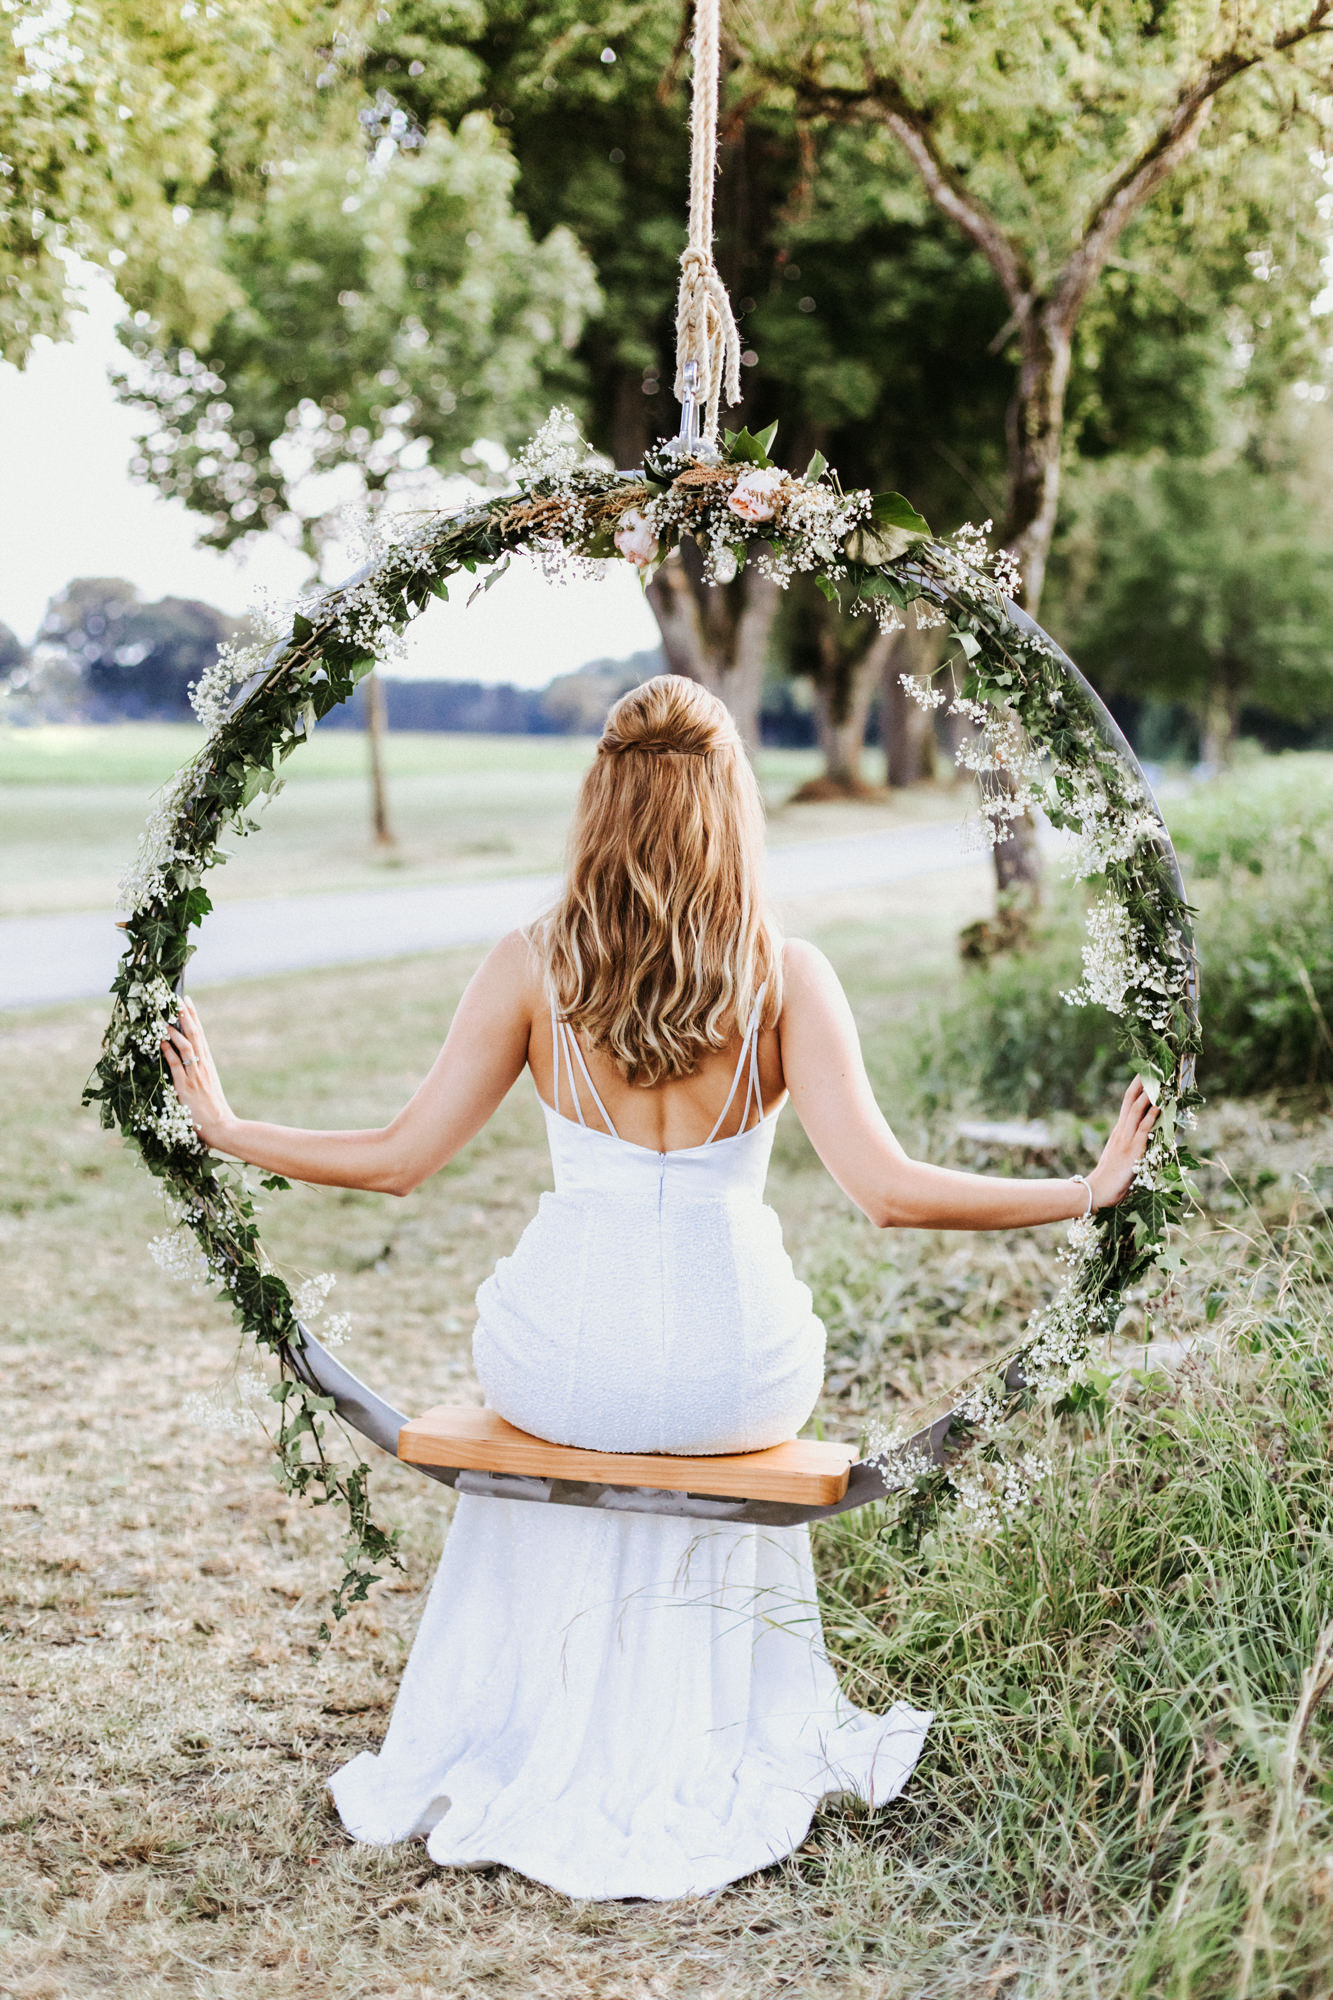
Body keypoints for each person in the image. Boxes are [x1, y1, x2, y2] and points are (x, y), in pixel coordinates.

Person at [161, 674, 1158, 1902]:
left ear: (600, 802)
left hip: (564, 1364)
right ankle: (702, 1718)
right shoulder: (785, 974)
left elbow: (396, 1161)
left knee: (551, 1367)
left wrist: (229, 1124)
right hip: (735, 1379)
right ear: (732, 806)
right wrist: (1083, 1186)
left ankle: (533, 1714)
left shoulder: (533, 963)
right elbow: (888, 1190)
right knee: (716, 1378)